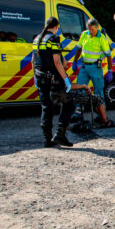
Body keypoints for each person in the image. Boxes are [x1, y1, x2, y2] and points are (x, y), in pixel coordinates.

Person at [32, 17, 76, 147]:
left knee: (46, 107)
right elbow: (57, 62)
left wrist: (34, 75)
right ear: (56, 27)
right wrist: (65, 79)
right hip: (53, 80)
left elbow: (33, 61)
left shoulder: (37, 39)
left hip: (40, 77)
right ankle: (60, 134)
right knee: (69, 104)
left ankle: (47, 139)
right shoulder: (53, 39)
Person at [72, 18, 115, 128]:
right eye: (89, 29)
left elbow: (108, 56)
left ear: (97, 28)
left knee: (99, 91)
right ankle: (78, 113)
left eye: (93, 29)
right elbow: (78, 49)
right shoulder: (84, 35)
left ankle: (101, 115)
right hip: (84, 66)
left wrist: (110, 71)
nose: (91, 31)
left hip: (95, 67)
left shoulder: (101, 39)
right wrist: (75, 61)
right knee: (79, 89)